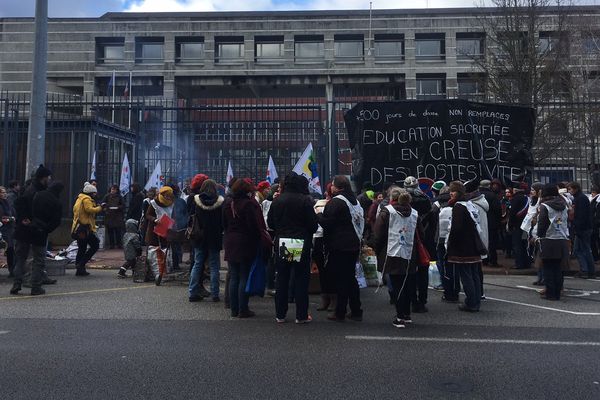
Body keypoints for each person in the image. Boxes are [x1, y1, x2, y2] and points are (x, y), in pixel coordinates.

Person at [268, 172, 318, 324]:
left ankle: (280, 314)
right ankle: (301, 315)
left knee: (282, 278)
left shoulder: (277, 201)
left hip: (283, 241)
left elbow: (270, 223)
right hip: (300, 241)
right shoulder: (305, 200)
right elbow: (313, 225)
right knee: (300, 278)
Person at [375, 188, 425, 328]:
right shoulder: (414, 213)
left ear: (392, 198)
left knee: (397, 285)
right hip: (410, 252)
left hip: (392, 252)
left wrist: (377, 249)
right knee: (408, 284)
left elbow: (378, 234)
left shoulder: (387, 211)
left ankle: (400, 316)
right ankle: (407, 314)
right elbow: (421, 234)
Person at [317, 175, 364, 322]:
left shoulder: (336, 202)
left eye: (332, 185)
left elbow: (327, 224)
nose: (331, 187)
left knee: (341, 280)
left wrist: (318, 215)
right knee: (350, 278)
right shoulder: (355, 201)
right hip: (354, 243)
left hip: (339, 245)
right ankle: (356, 310)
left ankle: (340, 311)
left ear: (338, 187)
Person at [223, 178, 268, 318]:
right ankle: (243, 309)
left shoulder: (227, 204)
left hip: (230, 241)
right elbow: (254, 226)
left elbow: (223, 224)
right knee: (244, 275)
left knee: (234, 276)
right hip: (245, 242)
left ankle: (233, 309)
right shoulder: (248, 205)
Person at [11, 165, 53, 295]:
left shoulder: (26, 189)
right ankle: (36, 286)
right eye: (48, 177)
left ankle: (17, 283)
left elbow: (18, 204)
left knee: (21, 258)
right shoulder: (41, 192)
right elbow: (44, 211)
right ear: (44, 178)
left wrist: (23, 219)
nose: (50, 179)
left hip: (23, 229)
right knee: (39, 258)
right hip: (36, 229)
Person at [445, 181, 484, 312]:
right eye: (450, 190)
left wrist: (450, 244)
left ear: (459, 193)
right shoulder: (469, 204)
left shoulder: (458, 207)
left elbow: (456, 228)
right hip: (473, 244)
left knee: (466, 275)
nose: (451, 193)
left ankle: (471, 302)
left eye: (453, 191)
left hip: (463, 247)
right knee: (474, 274)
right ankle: (476, 300)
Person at [188, 179, 224, 302]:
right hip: (214, 237)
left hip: (199, 237)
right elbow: (222, 222)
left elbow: (190, 218)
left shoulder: (196, 200)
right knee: (214, 266)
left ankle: (192, 292)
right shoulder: (220, 202)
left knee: (197, 264)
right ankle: (215, 294)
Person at [403, 176, 432, 313]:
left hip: (408, 238)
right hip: (423, 240)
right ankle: (422, 300)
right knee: (423, 271)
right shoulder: (425, 198)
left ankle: (412, 299)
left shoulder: (402, 200)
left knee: (410, 272)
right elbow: (431, 218)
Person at [536, 184, 570, 300]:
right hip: (562, 238)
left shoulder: (545, 206)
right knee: (559, 268)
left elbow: (542, 224)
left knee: (548, 268)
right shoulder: (564, 206)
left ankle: (551, 294)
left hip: (549, 239)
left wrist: (539, 235)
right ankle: (557, 292)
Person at [144, 186, 175, 285]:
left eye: (169, 196)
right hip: (154, 231)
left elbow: (173, 215)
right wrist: (155, 220)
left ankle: (165, 272)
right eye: (166, 196)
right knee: (154, 251)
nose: (168, 198)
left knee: (165, 251)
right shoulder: (153, 203)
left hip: (166, 229)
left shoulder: (171, 204)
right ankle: (155, 273)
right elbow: (147, 215)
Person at [72, 182, 103, 277]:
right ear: (90, 193)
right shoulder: (86, 199)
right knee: (95, 245)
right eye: (94, 193)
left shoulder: (79, 198)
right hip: (85, 228)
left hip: (78, 227)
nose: (95, 195)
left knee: (82, 248)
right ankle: (81, 264)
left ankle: (79, 268)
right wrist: (100, 208)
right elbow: (89, 209)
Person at [313, 183, 335, 311]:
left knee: (329, 270)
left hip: (325, 238)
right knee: (323, 270)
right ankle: (326, 297)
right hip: (320, 238)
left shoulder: (336, 204)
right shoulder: (319, 204)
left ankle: (331, 298)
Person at [568, 181, 596, 279]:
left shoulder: (580, 199)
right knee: (582, 249)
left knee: (582, 250)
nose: (569, 191)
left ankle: (586, 270)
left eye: (570, 189)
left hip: (582, 228)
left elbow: (582, 215)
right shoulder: (580, 198)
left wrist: (576, 226)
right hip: (583, 227)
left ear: (575, 189)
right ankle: (587, 270)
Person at [479, 180, 502, 267]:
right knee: (492, 242)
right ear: (489, 186)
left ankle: (484, 259)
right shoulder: (492, 196)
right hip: (492, 222)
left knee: (482, 240)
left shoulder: (477, 195)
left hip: (480, 221)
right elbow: (497, 209)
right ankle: (493, 260)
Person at [509, 182, 530, 269]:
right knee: (524, 243)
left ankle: (519, 263)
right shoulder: (527, 198)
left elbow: (512, 213)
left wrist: (510, 224)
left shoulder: (516, 198)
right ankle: (526, 262)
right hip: (526, 225)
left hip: (517, 225)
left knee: (517, 244)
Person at [169, 184, 188, 271]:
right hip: (177, 226)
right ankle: (176, 263)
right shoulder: (180, 201)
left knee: (174, 245)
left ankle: (174, 263)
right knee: (177, 245)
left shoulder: (169, 201)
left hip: (173, 226)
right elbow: (186, 214)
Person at [0, 186, 16, 277]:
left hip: (9, 230)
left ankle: (12, 270)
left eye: (5, 192)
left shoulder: (8, 203)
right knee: (7, 249)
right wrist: (11, 219)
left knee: (10, 250)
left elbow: (13, 213)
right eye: (2, 192)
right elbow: (2, 218)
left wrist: (12, 219)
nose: (5, 194)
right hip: (3, 230)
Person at [103, 184, 125, 249]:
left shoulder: (120, 197)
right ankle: (111, 244)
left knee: (118, 231)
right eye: (112, 189)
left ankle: (119, 244)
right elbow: (103, 203)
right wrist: (106, 207)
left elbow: (123, 205)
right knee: (110, 232)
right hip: (109, 216)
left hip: (117, 216)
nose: (113, 191)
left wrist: (118, 207)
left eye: (114, 189)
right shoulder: (107, 196)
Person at [590, 185, 600, 261]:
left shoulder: (596, 200)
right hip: (595, 223)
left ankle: (596, 257)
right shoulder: (595, 200)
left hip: (595, 224)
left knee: (594, 240)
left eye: (592, 192)